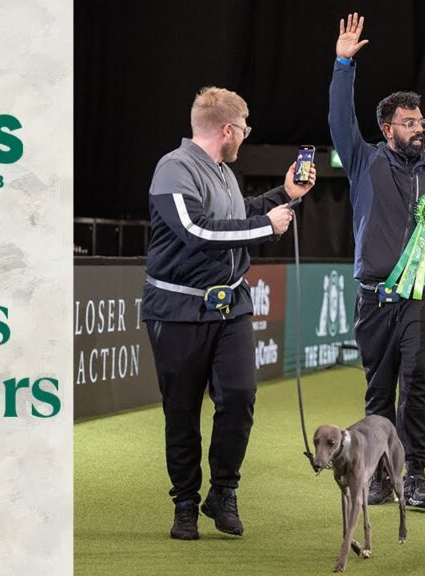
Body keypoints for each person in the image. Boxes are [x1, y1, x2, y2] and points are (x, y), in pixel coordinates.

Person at [142, 87, 316, 540]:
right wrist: (265, 225)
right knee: (181, 413)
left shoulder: (222, 173)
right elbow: (196, 230)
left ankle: (223, 492)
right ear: (228, 129)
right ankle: (184, 502)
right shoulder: (173, 169)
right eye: (245, 128)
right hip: (178, 310)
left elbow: (237, 216)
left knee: (238, 397)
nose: (246, 136)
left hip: (231, 307)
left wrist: (285, 194)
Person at [329, 13, 425, 511]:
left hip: (420, 300)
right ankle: (381, 477)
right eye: (409, 123)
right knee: (378, 390)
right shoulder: (365, 160)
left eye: (421, 122)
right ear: (387, 129)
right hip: (374, 298)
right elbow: (339, 121)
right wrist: (344, 63)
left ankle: (416, 477)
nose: (418, 129)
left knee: (420, 382)